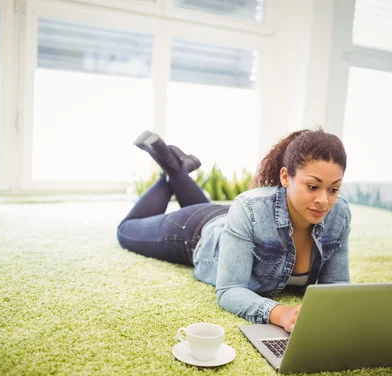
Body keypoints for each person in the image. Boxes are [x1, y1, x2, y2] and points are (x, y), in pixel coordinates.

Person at [117, 129, 351, 333]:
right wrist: (280, 313)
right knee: (126, 230)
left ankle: (177, 170)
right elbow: (229, 290)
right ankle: (169, 171)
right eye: (312, 186)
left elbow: (337, 284)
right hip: (197, 232)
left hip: (234, 221)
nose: (324, 200)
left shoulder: (339, 215)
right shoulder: (250, 208)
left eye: (333, 189)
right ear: (284, 177)